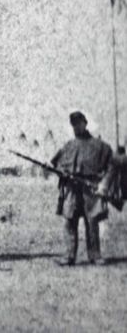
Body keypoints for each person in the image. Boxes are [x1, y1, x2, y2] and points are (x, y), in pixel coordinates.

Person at [51, 111, 113, 266]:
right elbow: (55, 163)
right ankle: (68, 255)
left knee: (92, 222)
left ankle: (95, 255)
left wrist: (104, 184)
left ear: (85, 123)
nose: (76, 127)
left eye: (79, 123)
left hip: (90, 190)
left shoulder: (100, 146)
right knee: (69, 221)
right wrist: (61, 170)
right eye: (73, 124)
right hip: (71, 189)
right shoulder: (68, 146)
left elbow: (111, 166)